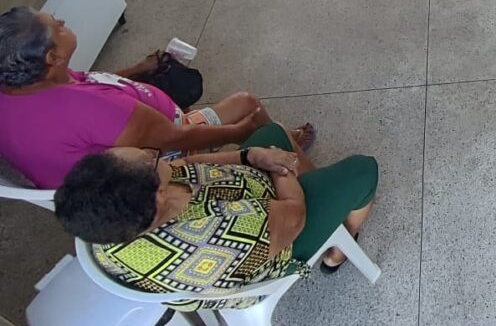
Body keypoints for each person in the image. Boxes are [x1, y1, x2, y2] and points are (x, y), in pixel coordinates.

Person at [55, 124, 378, 287]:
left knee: (271, 133)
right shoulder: (218, 237)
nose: (155, 153)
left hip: (251, 195)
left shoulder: (115, 217)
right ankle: (338, 249)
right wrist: (281, 169)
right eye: (150, 157)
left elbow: (189, 163)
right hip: (280, 240)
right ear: (157, 198)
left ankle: (317, 185)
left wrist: (249, 156)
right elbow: (294, 215)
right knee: (363, 171)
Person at [0, 8, 280, 189]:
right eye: (57, 26)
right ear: (53, 57)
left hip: (94, 178)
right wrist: (238, 131)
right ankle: (275, 148)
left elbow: (88, 82)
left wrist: (137, 71)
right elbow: (174, 138)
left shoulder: (25, 82)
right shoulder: (88, 110)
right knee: (246, 105)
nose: (61, 19)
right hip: (153, 170)